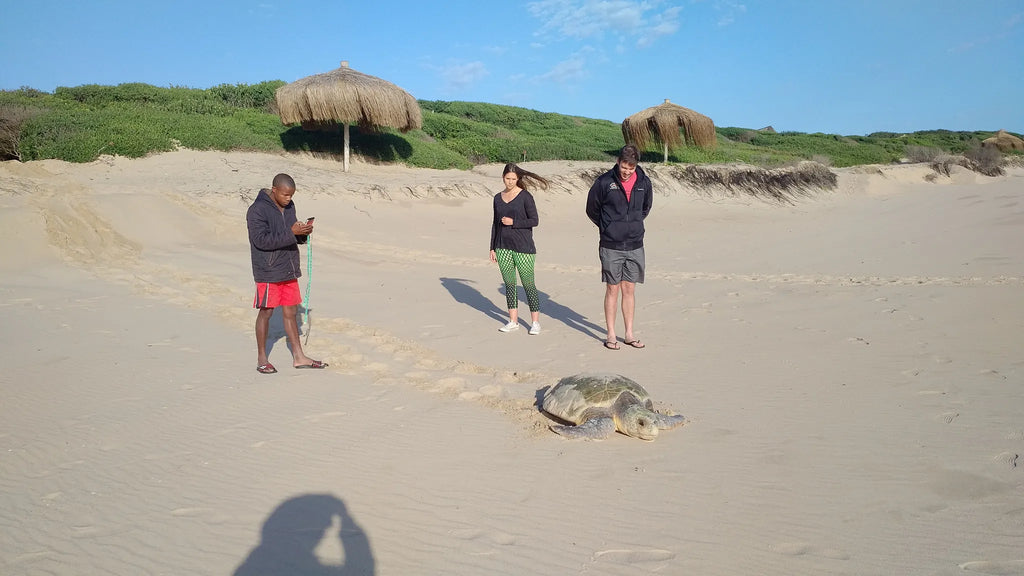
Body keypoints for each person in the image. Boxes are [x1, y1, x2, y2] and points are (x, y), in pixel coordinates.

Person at [246, 173, 328, 373]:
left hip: (289, 267)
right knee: (266, 312)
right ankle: (262, 359)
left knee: (291, 312)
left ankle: (299, 357)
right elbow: (261, 241)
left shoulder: (290, 206)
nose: (288, 199)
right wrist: (292, 233)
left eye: (291, 195)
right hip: (268, 270)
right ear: (274, 190)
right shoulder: (257, 210)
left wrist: (302, 234)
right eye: (285, 195)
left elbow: (291, 235)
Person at [585, 145, 653, 350]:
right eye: (624, 166)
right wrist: (608, 226)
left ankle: (629, 334)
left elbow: (646, 207)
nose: (627, 171)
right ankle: (611, 334)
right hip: (611, 244)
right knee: (612, 288)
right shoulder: (604, 182)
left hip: (635, 243)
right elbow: (592, 209)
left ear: (636, 166)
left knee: (629, 289)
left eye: (631, 168)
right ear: (618, 162)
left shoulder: (644, 182)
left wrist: (633, 224)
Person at [489, 163, 549, 334]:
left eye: (513, 179)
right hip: (502, 247)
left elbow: (534, 220)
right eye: (507, 178)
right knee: (510, 284)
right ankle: (513, 321)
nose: (510, 182)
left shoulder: (525, 197)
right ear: (503, 178)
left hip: (523, 247)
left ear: (518, 179)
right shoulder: (497, 198)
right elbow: (495, 224)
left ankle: (535, 322)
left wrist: (513, 222)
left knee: (528, 284)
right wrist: (492, 247)